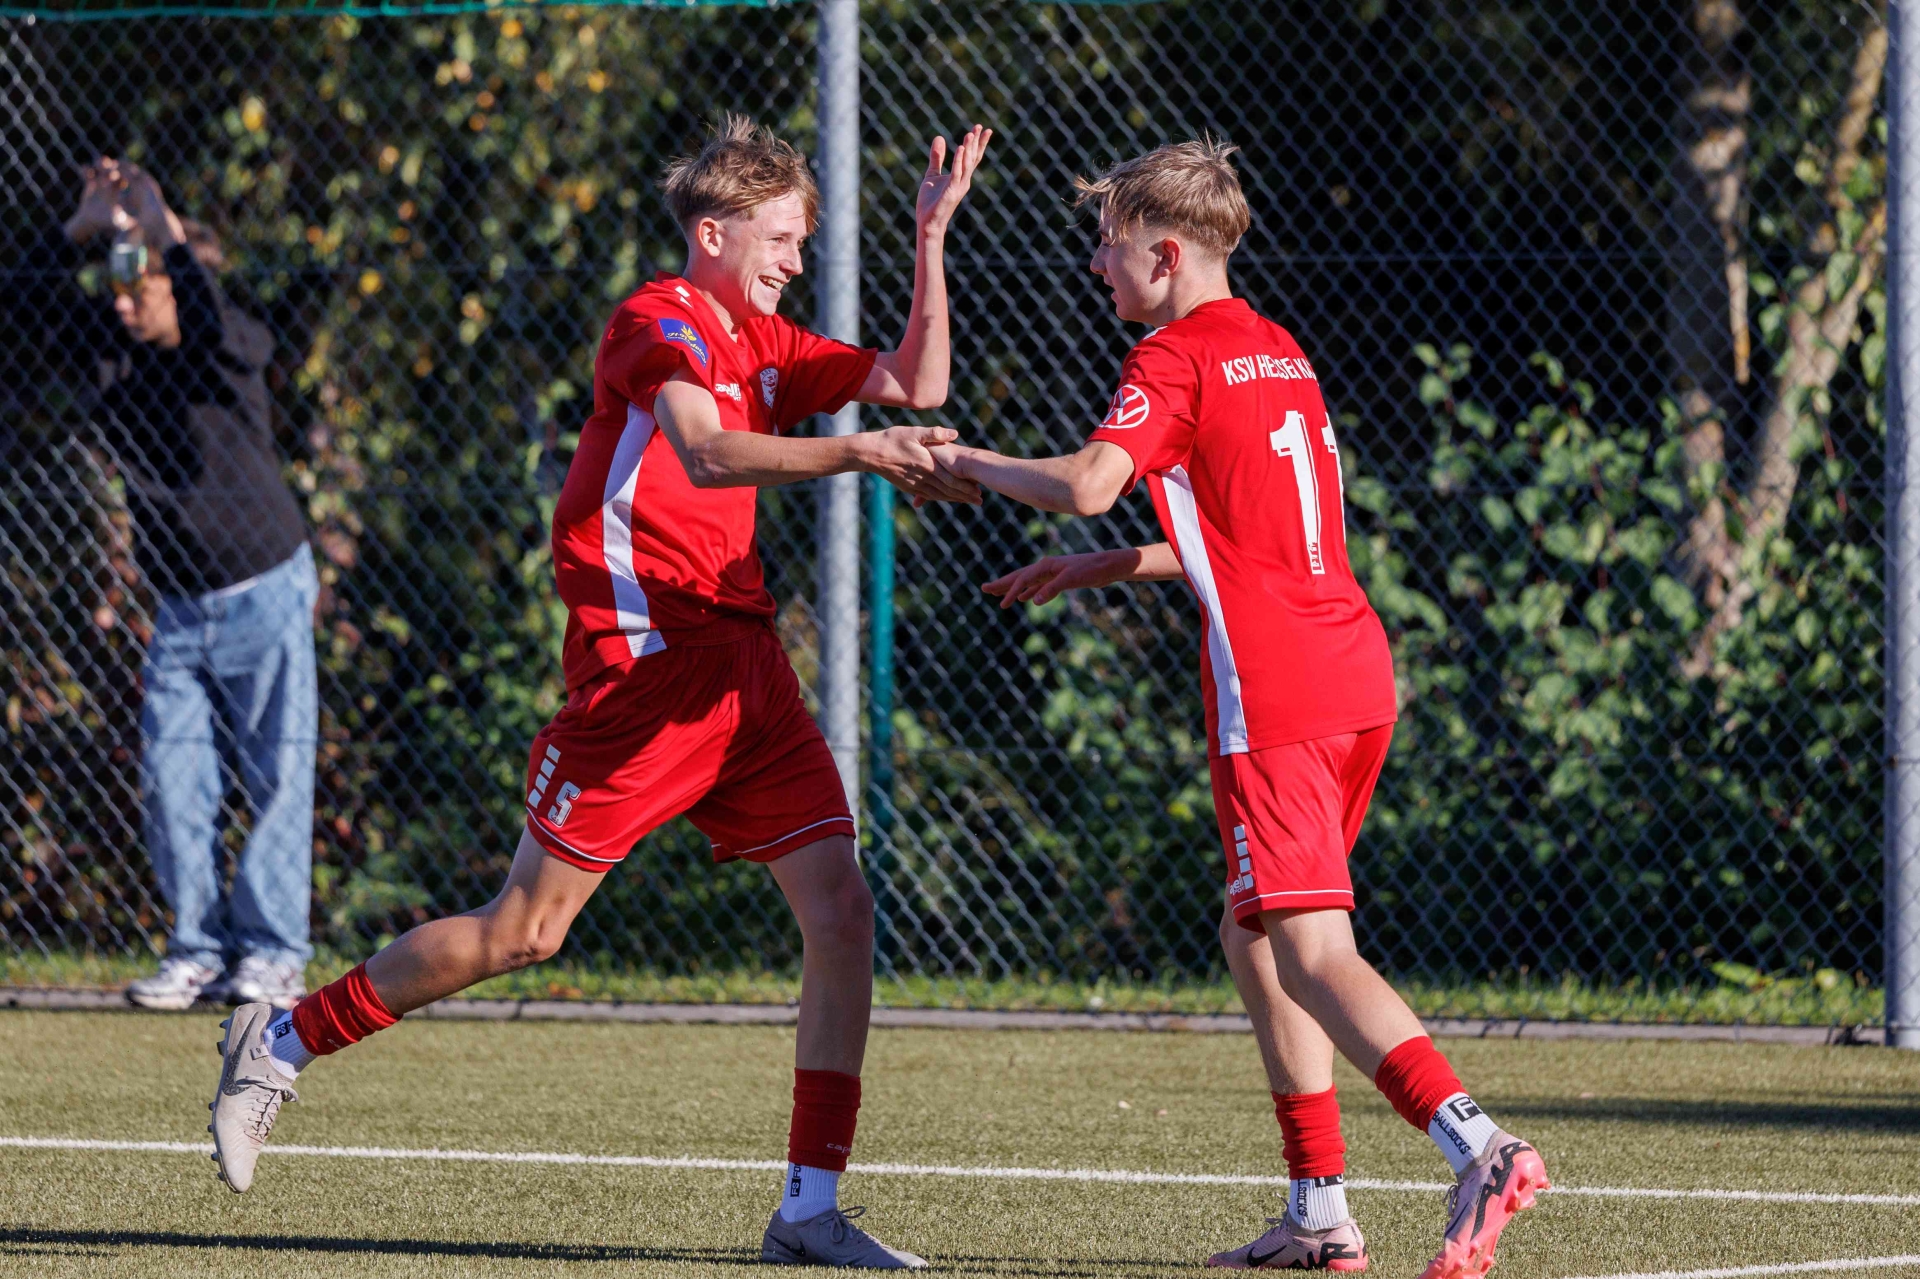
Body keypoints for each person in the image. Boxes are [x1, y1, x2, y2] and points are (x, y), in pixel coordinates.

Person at [207, 116, 990, 1269]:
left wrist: (929, 238)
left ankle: (808, 1210)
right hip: (647, 669)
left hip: (742, 666)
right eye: (780, 238)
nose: (794, 259)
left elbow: (918, 380)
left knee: (841, 912)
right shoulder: (656, 321)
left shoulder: (766, 339)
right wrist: (863, 453)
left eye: (800, 240)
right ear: (714, 233)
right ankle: (281, 1037)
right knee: (525, 929)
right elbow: (707, 450)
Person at [926, 140, 1549, 1279]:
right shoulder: (1278, 349)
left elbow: (1087, 481)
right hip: (1352, 668)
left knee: (1311, 948)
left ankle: (1480, 1146)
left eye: (1109, 245)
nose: (1096, 265)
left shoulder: (1172, 355)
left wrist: (966, 458)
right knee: (1253, 931)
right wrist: (1103, 567)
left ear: (1166, 255)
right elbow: (1253, 538)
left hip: (1276, 690)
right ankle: (1318, 1211)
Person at [41, 159, 316, 1012]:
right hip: (179, 611)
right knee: (172, 780)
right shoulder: (110, 361)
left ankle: (272, 955)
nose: (124, 303)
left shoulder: (230, 349)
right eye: (117, 285)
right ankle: (196, 949)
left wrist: (164, 232)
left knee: (277, 778)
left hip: (264, 589)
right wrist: (81, 231)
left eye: (143, 285)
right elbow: (23, 311)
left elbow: (209, 318)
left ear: (177, 281)